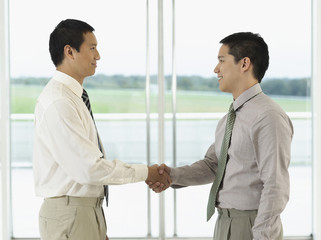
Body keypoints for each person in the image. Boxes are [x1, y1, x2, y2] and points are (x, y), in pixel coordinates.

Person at [33, 19, 171, 240]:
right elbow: (89, 169)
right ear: (70, 51)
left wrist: (95, 225)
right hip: (72, 214)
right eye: (92, 48)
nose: (98, 56)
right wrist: (147, 172)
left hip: (83, 212)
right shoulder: (59, 102)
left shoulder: (73, 98)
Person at [148, 32, 293, 240]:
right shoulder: (231, 117)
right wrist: (172, 175)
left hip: (251, 226)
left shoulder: (268, 116)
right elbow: (213, 165)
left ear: (244, 64)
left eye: (221, 61)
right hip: (225, 223)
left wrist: (262, 235)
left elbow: (276, 184)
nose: (216, 69)